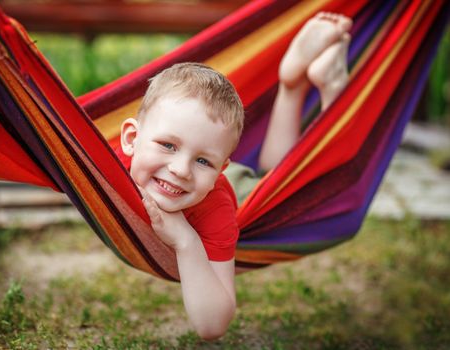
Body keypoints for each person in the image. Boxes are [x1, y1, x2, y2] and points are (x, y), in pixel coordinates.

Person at [117, 12, 352, 340]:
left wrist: (186, 240)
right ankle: (292, 82)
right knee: (274, 169)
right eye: (168, 145)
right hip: (233, 179)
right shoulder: (104, 166)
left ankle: (331, 88)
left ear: (220, 168)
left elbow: (212, 325)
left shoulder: (216, 211)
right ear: (130, 140)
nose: (181, 169)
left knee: (311, 188)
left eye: (202, 160)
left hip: (248, 197)